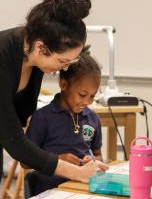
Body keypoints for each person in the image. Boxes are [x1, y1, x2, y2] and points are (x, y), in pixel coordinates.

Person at [0, 0, 108, 199]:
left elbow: (18, 115)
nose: (64, 68)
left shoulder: (34, 59)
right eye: (62, 61)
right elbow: (16, 142)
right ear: (41, 47)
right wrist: (78, 173)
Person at [22, 52, 104, 197]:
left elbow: (97, 155)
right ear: (63, 84)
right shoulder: (42, 118)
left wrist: (92, 161)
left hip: (82, 190)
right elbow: (25, 162)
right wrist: (57, 160)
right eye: (82, 95)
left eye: (92, 96)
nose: (87, 102)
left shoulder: (93, 119)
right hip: (50, 192)